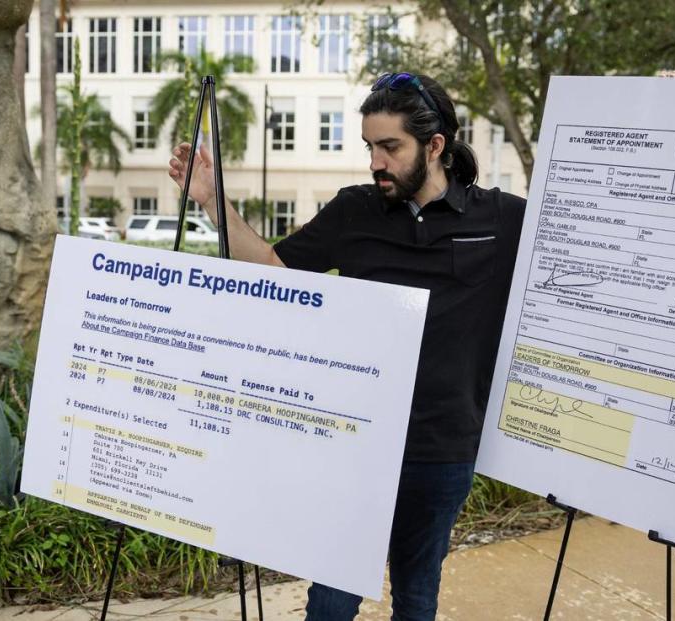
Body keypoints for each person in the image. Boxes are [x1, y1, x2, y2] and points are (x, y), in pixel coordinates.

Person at [168, 72, 526, 621]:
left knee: (416, 589)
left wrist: (669, 119)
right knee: (331, 601)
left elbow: (594, 235)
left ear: (435, 146)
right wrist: (213, 201)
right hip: (357, 442)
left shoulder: (501, 218)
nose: (375, 162)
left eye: (390, 147)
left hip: (444, 447)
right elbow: (272, 267)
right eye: (370, 147)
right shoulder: (354, 210)